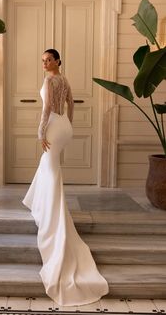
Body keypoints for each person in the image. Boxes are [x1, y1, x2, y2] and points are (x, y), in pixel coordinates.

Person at [22, 49, 109, 306]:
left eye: (49, 59)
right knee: (49, 167)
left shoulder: (51, 80)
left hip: (53, 125)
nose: (45, 63)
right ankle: (41, 205)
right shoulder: (65, 78)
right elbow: (71, 102)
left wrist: (40, 133)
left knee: (50, 167)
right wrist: (68, 125)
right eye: (43, 60)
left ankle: (51, 215)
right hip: (64, 126)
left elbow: (48, 107)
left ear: (58, 60)